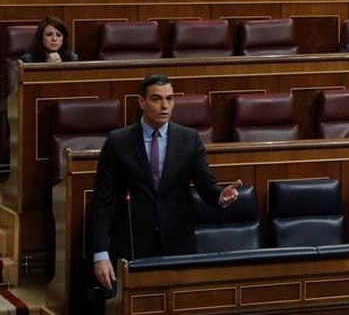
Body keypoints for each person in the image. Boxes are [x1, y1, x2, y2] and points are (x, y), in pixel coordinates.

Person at [89, 74, 242, 292]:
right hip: (132, 242)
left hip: (177, 242)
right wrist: (100, 254)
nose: (165, 106)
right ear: (142, 102)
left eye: (169, 99)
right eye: (157, 99)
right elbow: (102, 202)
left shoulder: (189, 139)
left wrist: (220, 196)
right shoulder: (118, 142)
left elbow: (205, 184)